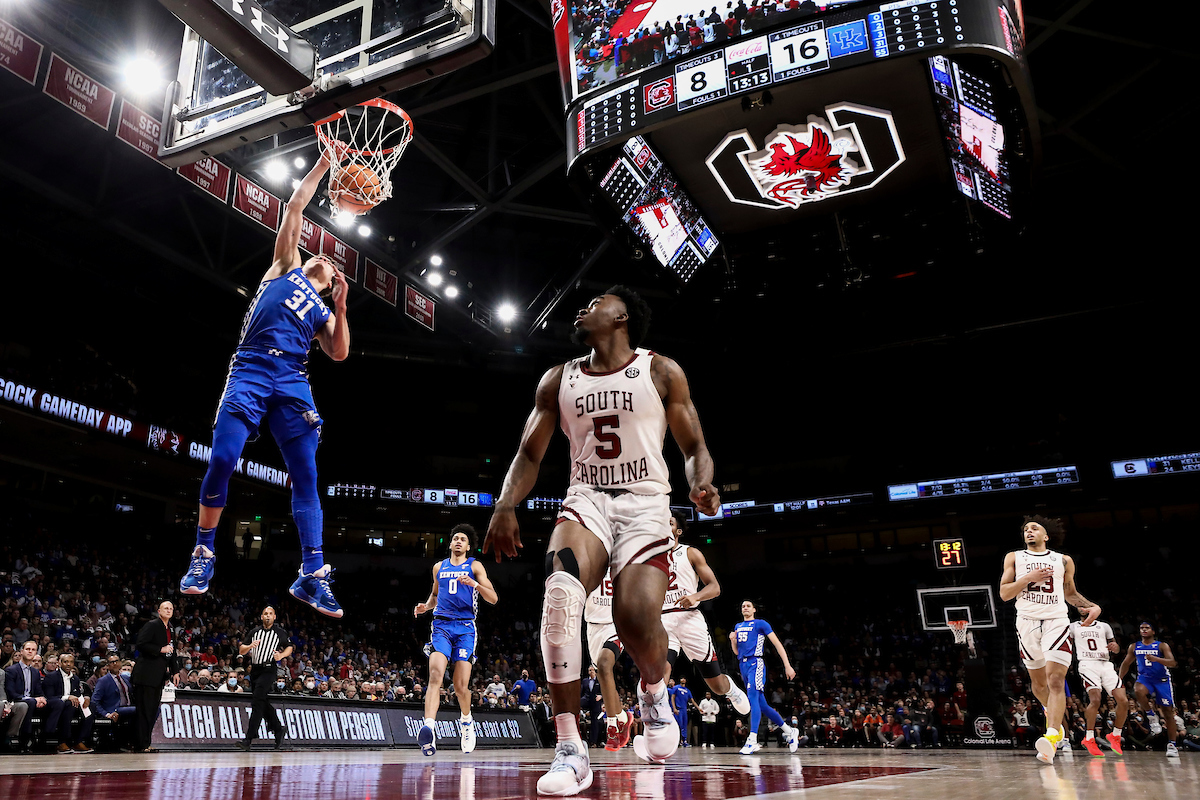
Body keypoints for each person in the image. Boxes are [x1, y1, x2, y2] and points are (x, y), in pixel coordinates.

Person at [485, 286, 720, 795]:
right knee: (561, 596)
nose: (581, 307)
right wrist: (505, 506)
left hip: (646, 504)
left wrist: (701, 482)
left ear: (622, 317)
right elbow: (529, 455)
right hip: (586, 497)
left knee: (635, 622)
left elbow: (695, 445)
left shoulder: (660, 371)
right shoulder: (558, 379)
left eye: (594, 303)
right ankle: (571, 750)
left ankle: (654, 694)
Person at [178, 150, 351, 619]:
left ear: (333, 281)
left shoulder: (323, 311)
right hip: (252, 367)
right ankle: (203, 552)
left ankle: (313, 575)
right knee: (222, 457)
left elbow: (338, 353)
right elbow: (295, 208)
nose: (324, 255)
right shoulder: (285, 266)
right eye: (320, 253)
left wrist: (343, 308)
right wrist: (322, 168)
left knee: (307, 474)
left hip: (293, 379)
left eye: (332, 263)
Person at [998, 515, 1100, 764]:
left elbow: (1070, 593)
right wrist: (1026, 579)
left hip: (1056, 621)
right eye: (1025, 529)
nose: (1029, 531)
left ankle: (1052, 735)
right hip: (1027, 623)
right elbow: (1004, 593)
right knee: (1039, 685)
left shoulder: (1063, 560)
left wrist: (1091, 606)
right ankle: (1054, 718)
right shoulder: (1014, 557)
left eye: (1035, 528)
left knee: (1056, 680)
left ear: (1046, 536)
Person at [413, 524, 498, 756]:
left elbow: (493, 598)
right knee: (435, 675)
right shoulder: (439, 567)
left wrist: (475, 585)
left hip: (465, 628)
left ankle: (466, 721)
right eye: (455, 538)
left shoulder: (475, 566)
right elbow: (435, 595)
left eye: (463, 539)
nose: (459, 541)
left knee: (460, 687)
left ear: (468, 546)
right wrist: (425, 606)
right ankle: (429, 727)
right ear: (450, 544)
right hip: (441, 625)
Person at [660, 514, 751, 723]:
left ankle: (731, 689)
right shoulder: (652, 556)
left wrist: (695, 596)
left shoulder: (690, 553)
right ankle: (660, 723)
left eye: (670, 523)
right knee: (660, 673)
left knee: (716, 686)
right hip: (663, 619)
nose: (665, 524)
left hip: (689, 619)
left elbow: (715, 587)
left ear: (678, 531)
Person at [730, 600, 801, 754]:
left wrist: (787, 665)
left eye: (748, 606)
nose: (745, 608)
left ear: (754, 609)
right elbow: (736, 652)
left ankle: (753, 739)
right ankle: (789, 731)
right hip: (743, 665)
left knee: (752, 699)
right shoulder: (737, 626)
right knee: (762, 705)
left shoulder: (761, 624)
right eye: (743, 606)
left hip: (756, 662)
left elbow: (777, 644)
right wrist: (732, 641)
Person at [584, 566, 633, 750]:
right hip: (593, 626)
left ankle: (611, 725)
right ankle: (622, 716)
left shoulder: (622, 559)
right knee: (603, 675)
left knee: (605, 666)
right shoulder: (588, 559)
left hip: (615, 625)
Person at [1118, 621, 1179, 758]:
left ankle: (1172, 744)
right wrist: (1118, 679)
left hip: (1162, 680)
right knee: (1138, 690)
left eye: (1147, 628)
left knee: (1168, 713)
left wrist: (1157, 659)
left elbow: (1173, 663)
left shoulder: (1162, 645)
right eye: (1141, 628)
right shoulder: (1134, 646)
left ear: (1153, 631)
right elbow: (1126, 663)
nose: (1144, 630)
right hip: (1145, 678)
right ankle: (1151, 716)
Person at [236, 606, 293, 751]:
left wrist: (281, 656)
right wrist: (249, 646)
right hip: (255, 669)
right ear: (261, 617)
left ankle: (249, 738)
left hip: (269, 669)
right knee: (261, 701)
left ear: (274, 617)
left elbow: (289, 647)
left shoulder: (279, 632)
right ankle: (278, 729)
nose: (268, 616)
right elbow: (241, 649)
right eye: (265, 614)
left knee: (257, 701)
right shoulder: (254, 632)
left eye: (270, 614)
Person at [1070, 615, 1128, 757]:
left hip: (1105, 664)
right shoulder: (1072, 626)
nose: (1083, 607)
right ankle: (1089, 738)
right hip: (1087, 663)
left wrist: (1116, 647)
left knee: (1123, 701)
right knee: (1095, 700)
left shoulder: (1104, 626)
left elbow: (1116, 648)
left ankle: (1115, 735)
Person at [4, 640, 67, 751]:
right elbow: (11, 693)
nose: (30, 651)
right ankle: (26, 738)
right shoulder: (11, 670)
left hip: (33, 703)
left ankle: (46, 735)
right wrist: (33, 699)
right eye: (28, 649)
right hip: (17, 702)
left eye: (33, 650)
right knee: (31, 702)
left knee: (58, 702)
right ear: (22, 651)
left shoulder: (35, 672)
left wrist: (42, 698)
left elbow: (39, 691)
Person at [131, 601, 175, 753]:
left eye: (171, 609)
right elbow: (141, 644)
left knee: (151, 711)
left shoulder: (170, 628)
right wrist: (159, 649)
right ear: (159, 611)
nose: (168, 611)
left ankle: (146, 743)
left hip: (158, 676)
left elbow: (171, 651)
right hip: (146, 675)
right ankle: (140, 744)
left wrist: (175, 671)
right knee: (143, 711)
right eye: (166, 608)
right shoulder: (152, 625)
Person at [43, 652, 94, 753]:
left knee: (91, 706)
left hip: (72, 704)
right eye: (66, 662)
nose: (68, 664)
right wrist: (67, 697)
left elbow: (78, 694)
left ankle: (79, 741)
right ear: (60, 663)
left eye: (71, 662)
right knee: (69, 705)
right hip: (56, 705)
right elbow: (49, 697)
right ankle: (62, 742)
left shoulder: (75, 679)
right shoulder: (51, 677)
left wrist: (86, 698)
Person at [669, 677, 694, 746]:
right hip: (676, 709)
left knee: (684, 726)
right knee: (677, 726)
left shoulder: (687, 690)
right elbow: (672, 698)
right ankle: (675, 741)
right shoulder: (674, 688)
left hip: (684, 710)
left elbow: (692, 700)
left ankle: (684, 741)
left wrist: (698, 708)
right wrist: (674, 708)